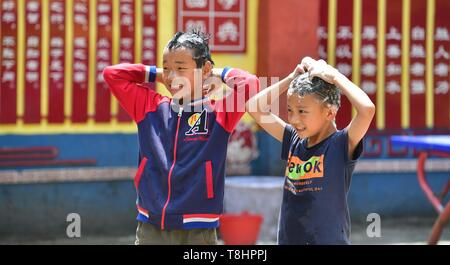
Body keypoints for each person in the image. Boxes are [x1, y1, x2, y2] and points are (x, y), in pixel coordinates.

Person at [103, 30, 259, 244]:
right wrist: (160, 73)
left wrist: (214, 73)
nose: (171, 77)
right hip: (151, 226)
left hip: (198, 229)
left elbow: (250, 85)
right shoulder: (151, 107)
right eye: (167, 68)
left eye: (180, 68)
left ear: (204, 68)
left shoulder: (219, 114)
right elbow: (113, 74)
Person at [246, 56, 375, 244]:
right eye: (290, 110)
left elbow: (367, 109)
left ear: (330, 112)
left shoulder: (340, 144)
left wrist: (335, 76)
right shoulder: (293, 140)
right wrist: (291, 77)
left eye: (302, 111)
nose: (294, 119)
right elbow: (254, 107)